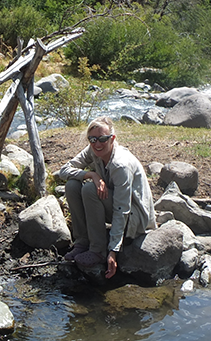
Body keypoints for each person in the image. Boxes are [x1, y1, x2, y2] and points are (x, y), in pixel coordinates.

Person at [57, 116, 156, 279]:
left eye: (102, 139)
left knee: (89, 189)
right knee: (72, 185)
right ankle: (82, 242)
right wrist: (91, 174)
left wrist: (113, 250)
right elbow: (64, 171)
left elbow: (122, 208)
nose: (97, 144)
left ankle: (98, 251)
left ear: (112, 139)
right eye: (92, 139)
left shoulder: (120, 165)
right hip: (116, 205)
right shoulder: (93, 150)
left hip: (135, 218)